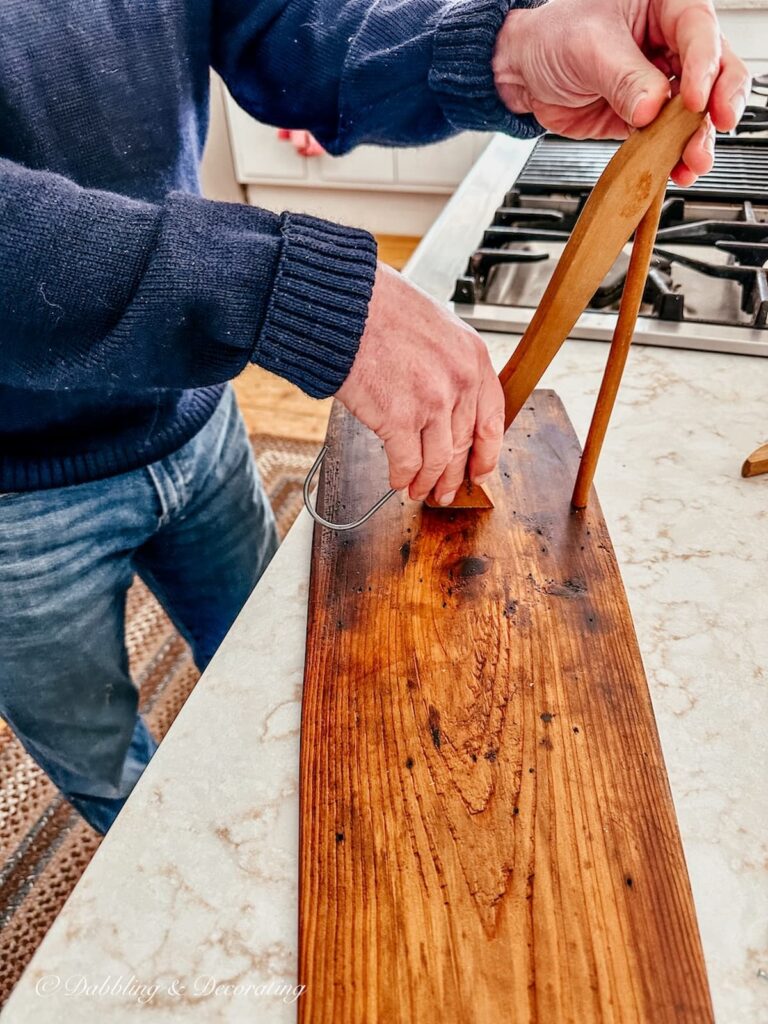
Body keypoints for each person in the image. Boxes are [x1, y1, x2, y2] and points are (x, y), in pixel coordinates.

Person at [0, 0, 749, 834]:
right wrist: (274, 288)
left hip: (195, 412)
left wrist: (512, 51)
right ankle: (144, 853)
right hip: (15, 495)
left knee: (278, 668)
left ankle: (287, 822)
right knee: (104, 763)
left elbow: (274, 24)